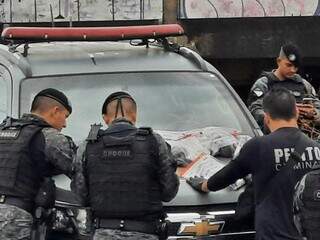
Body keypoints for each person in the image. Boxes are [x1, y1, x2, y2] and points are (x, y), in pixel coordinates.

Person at [187, 88, 320, 240]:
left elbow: (227, 177)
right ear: (296, 113)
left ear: (267, 117)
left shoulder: (258, 146)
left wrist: (203, 185)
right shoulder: (316, 148)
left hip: (273, 235)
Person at [71, 91, 179, 240]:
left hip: (103, 233)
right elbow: (169, 192)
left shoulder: (87, 146)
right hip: (145, 233)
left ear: (105, 118)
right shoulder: (154, 141)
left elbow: (81, 197)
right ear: (134, 115)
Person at [0, 88, 75, 240]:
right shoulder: (49, 136)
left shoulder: (3, 130)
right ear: (55, 111)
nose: (65, 124)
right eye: (65, 116)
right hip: (14, 217)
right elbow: (79, 170)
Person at [247, 43, 320, 132]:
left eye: (296, 67)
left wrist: (314, 115)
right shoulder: (264, 83)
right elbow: (255, 110)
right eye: (288, 65)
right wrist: (279, 120)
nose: (293, 70)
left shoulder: (304, 85)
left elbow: (317, 106)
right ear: (278, 61)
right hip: (273, 136)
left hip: (302, 137)